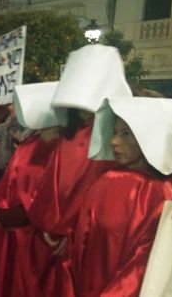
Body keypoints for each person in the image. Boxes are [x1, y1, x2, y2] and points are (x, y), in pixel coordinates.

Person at [25, 45, 132, 296]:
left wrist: (71, 232)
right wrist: (51, 228)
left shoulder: (110, 135)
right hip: (53, 240)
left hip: (91, 242)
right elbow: (53, 184)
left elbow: (100, 191)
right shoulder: (71, 134)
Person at [72, 96, 172, 296]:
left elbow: (147, 263)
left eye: (126, 134)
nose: (114, 141)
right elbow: (83, 242)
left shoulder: (162, 193)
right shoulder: (106, 180)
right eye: (113, 132)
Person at [0, 82, 62, 297]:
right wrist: (0, 212)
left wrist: (17, 216)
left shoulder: (62, 148)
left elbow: (53, 196)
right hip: (10, 235)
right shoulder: (32, 143)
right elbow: (10, 181)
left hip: (33, 241)